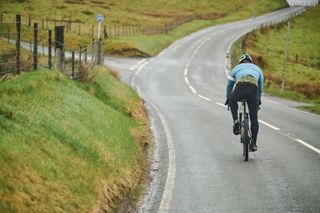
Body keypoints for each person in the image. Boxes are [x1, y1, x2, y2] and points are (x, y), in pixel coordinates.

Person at [225, 54, 264, 152]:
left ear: (240, 62)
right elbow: (260, 87)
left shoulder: (236, 68)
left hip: (240, 87)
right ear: (251, 62)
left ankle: (236, 121)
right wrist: (258, 99)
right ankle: (254, 144)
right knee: (254, 118)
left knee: (232, 100)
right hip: (253, 89)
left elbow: (229, 84)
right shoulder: (257, 69)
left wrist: (228, 98)